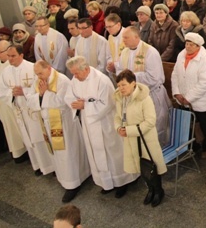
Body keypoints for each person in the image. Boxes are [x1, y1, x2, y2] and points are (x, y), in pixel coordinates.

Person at [65, 56, 135, 198]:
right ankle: (106, 182)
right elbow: (69, 96)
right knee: (95, 153)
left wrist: (85, 105)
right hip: (88, 122)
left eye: (76, 73)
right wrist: (76, 104)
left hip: (105, 122)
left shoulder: (101, 80)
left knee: (113, 153)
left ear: (85, 69)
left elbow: (108, 104)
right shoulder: (76, 79)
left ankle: (122, 182)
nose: (74, 76)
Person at [29, 60, 92, 203]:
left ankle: (73, 183)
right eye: (37, 73)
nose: (38, 76)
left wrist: (44, 94)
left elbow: (63, 102)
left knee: (67, 153)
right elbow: (30, 99)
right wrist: (40, 95)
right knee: (57, 153)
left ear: (49, 68)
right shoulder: (38, 80)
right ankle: (63, 176)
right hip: (47, 123)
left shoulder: (62, 80)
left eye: (41, 73)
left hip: (64, 124)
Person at [0, 45, 55, 176]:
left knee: (39, 136)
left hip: (33, 110)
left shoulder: (32, 68)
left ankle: (51, 165)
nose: (10, 59)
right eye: (9, 56)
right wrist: (11, 93)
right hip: (19, 110)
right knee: (28, 139)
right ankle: (38, 165)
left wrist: (24, 92)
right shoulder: (6, 72)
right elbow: (2, 91)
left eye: (13, 56)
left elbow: (42, 87)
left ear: (21, 55)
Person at [114, 70, 168, 207]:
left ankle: (158, 191)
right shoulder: (120, 99)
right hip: (130, 140)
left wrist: (130, 131)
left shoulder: (144, 98)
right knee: (140, 166)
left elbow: (150, 121)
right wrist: (118, 128)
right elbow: (118, 117)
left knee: (151, 165)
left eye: (124, 85)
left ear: (133, 84)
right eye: (119, 85)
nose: (121, 88)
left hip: (146, 140)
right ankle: (150, 189)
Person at [115, 26, 171, 146]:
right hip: (132, 97)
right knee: (136, 124)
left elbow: (154, 77)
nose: (123, 40)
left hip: (151, 94)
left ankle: (158, 154)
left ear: (136, 37)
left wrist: (132, 77)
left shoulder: (150, 52)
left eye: (126, 37)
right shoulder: (124, 51)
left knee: (154, 125)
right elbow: (119, 71)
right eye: (123, 38)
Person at [171, 32, 206, 158]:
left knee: (204, 123)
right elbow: (175, 74)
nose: (188, 47)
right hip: (182, 97)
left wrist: (188, 98)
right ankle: (192, 146)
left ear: (198, 46)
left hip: (200, 100)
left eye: (191, 45)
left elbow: (205, 82)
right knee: (188, 124)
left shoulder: (204, 59)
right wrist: (177, 93)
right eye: (187, 43)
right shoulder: (181, 55)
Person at [0, 40, 27, 163]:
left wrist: (4, 89)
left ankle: (25, 150)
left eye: (0, 52)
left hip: (13, 102)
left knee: (19, 127)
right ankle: (17, 152)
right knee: (9, 128)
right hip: (1, 103)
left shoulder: (13, 65)